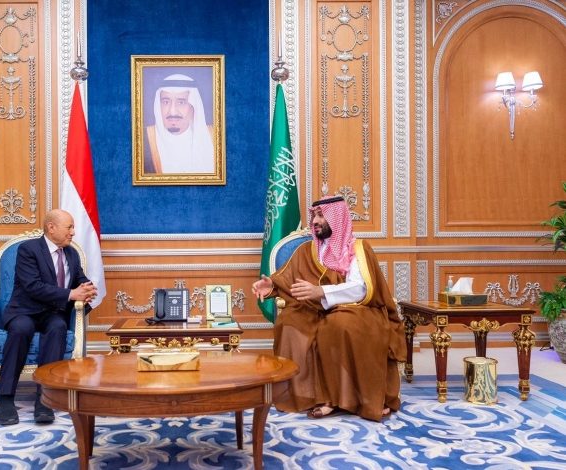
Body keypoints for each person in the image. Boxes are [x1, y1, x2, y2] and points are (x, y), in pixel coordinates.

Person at [252, 196, 405, 422]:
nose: (315, 221)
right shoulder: (307, 250)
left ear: (337, 218)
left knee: (338, 325)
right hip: (313, 309)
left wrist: (321, 292)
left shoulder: (357, 249)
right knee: (289, 322)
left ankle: (342, 400)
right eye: (314, 215)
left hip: (356, 308)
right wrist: (272, 286)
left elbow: (361, 289)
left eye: (321, 215)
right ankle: (305, 396)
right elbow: (288, 278)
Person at [0, 209, 98, 425]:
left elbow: (80, 279)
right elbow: (33, 286)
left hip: (53, 312)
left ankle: (45, 398)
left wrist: (87, 289)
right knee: (20, 329)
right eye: (69, 227)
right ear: (51, 228)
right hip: (25, 310)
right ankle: (5, 399)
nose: (73, 232)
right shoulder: (29, 249)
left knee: (58, 328)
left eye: (73, 227)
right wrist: (71, 294)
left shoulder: (72, 253)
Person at [144, 73, 214, 174]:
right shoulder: (144, 140)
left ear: (193, 106)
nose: (172, 111)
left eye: (181, 102)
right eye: (166, 102)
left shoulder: (214, 137)